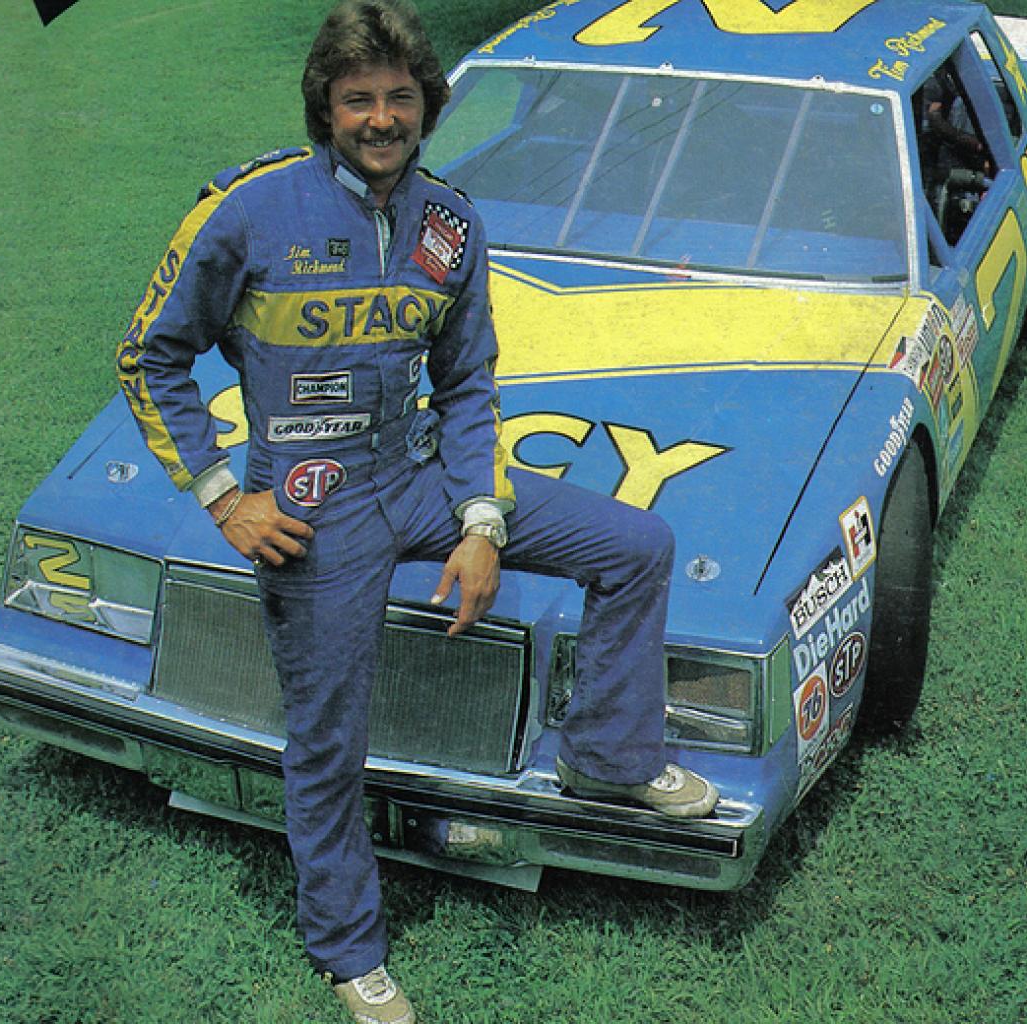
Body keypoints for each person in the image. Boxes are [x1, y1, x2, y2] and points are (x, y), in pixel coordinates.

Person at [114, 2, 718, 1020]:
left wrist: (482, 524)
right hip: (312, 507)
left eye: (400, 97)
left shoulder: (451, 221)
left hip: (422, 476)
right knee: (326, 741)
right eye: (359, 99)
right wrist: (223, 497)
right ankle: (349, 950)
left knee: (635, 544)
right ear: (325, 106)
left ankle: (608, 760)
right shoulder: (249, 208)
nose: (382, 118)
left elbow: (469, 379)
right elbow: (148, 354)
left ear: (427, 105)